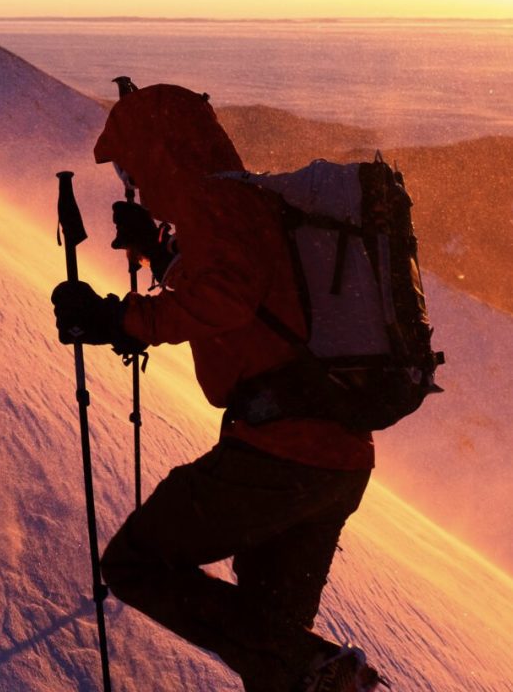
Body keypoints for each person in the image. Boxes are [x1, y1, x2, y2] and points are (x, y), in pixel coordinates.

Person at [51, 84, 382, 692]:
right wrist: (158, 252)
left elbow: (226, 299)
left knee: (135, 563)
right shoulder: (244, 200)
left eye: (131, 163)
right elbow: (257, 299)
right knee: (268, 643)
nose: (131, 178)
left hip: (280, 453)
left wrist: (120, 320)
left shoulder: (213, 202)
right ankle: (313, 672)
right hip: (335, 458)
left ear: (159, 151)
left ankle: (319, 669)